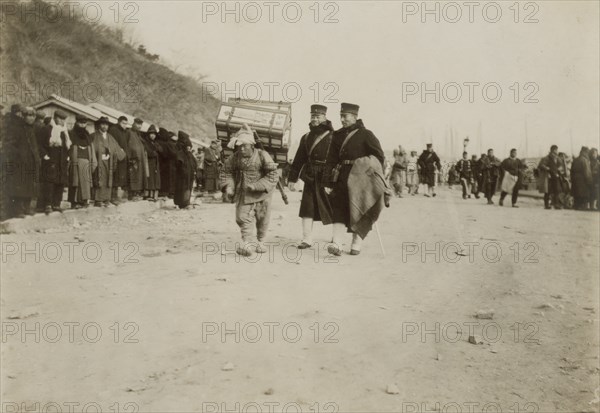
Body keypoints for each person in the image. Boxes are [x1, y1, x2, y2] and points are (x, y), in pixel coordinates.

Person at [324, 103, 387, 256]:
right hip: (341, 177)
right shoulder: (337, 135)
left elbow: (379, 157)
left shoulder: (367, 134)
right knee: (338, 209)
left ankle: (356, 244)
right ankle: (337, 244)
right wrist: (327, 181)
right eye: (341, 116)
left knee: (360, 209)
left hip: (361, 179)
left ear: (354, 116)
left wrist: (366, 168)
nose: (342, 119)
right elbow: (330, 160)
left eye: (345, 116)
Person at [222, 124, 279, 256]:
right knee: (242, 217)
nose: (242, 149)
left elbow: (273, 174)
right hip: (243, 192)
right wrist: (228, 186)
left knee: (262, 218)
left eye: (245, 146)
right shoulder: (235, 157)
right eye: (239, 146)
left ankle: (261, 241)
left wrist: (257, 185)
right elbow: (226, 172)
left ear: (252, 145)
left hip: (262, 194)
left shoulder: (262, 155)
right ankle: (247, 244)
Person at [288, 104, 334, 249]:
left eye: (318, 116)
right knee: (307, 207)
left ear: (324, 117)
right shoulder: (306, 137)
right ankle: (306, 239)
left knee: (333, 207)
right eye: (312, 116)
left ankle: (336, 237)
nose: (314, 119)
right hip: (310, 176)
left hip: (328, 176)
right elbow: (298, 159)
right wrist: (291, 179)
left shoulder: (334, 136)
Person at [4, 107, 39, 218]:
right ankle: (18, 210)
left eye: (33, 116)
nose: (31, 118)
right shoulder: (17, 129)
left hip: (31, 161)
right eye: (29, 115)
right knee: (19, 185)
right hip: (19, 162)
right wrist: (18, 156)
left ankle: (27, 208)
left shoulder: (33, 129)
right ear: (23, 116)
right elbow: (10, 145)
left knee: (30, 185)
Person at [38, 109, 70, 214]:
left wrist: (67, 156)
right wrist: (45, 156)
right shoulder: (47, 129)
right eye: (60, 119)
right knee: (49, 182)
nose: (62, 121)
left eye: (63, 119)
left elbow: (67, 146)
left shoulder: (64, 131)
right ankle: (47, 204)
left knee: (60, 182)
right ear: (55, 118)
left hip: (61, 161)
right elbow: (40, 144)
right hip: (50, 160)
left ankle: (56, 204)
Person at [90, 117, 126, 207]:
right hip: (98, 161)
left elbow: (117, 150)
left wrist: (121, 152)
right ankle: (98, 200)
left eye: (106, 124)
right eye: (102, 124)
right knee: (99, 179)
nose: (104, 126)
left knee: (108, 180)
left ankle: (106, 199)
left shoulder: (110, 137)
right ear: (99, 125)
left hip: (109, 161)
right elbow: (91, 148)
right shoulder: (93, 136)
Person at [67, 114, 97, 209]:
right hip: (75, 161)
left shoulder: (87, 135)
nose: (83, 125)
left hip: (87, 161)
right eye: (81, 123)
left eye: (84, 123)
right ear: (77, 122)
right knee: (76, 182)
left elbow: (90, 148)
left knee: (86, 182)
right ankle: (74, 202)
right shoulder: (71, 134)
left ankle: (84, 200)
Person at [108, 116, 130, 204]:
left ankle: (118, 196)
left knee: (121, 177)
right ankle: (113, 197)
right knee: (115, 176)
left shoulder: (125, 132)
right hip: (115, 156)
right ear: (118, 122)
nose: (125, 125)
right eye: (123, 123)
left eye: (126, 123)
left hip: (123, 157)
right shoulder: (113, 130)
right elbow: (112, 143)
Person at [125, 118, 149, 200]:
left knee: (139, 176)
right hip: (133, 159)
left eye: (140, 125)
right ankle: (131, 194)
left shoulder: (138, 134)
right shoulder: (129, 132)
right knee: (133, 176)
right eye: (137, 124)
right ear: (133, 123)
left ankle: (137, 193)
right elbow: (126, 145)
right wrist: (129, 157)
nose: (139, 126)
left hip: (140, 159)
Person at [174, 131, 198, 209]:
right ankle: (182, 203)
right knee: (182, 188)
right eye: (187, 146)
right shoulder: (181, 153)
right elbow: (179, 163)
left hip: (189, 175)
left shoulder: (190, 155)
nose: (188, 148)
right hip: (182, 176)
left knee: (188, 189)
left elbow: (194, 163)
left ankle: (186, 202)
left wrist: (194, 170)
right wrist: (183, 170)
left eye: (189, 147)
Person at [141, 125, 162, 201]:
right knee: (150, 178)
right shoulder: (145, 142)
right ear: (148, 134)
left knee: (154, 179)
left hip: (155, 163)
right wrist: (155, 152)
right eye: (151, 134)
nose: (153, 135)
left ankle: (153, 195)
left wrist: (155, 150)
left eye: (154, 134)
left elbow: (161, 150)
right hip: (149, 163)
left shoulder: (155, 143)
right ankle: (148, 195)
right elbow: (149, 153)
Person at [537, 145, 562, 209]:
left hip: (556, 176)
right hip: (549, 177)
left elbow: (560, 165)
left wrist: (559, 168)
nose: (556, 151)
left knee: (556, 190)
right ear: (552, 150)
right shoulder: (547, 158)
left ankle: (556, 204)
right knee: (548, 191)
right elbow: (541, 165)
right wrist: (547, 168)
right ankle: (546, 204)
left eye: (556, 150)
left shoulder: (557, 158)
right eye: (555, 150)